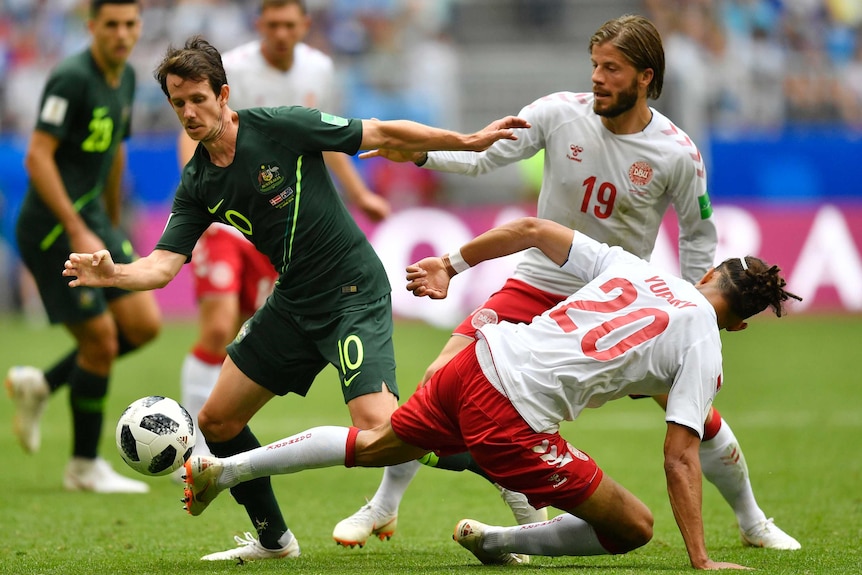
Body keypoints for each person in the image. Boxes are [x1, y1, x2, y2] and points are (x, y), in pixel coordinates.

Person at [61, 35, 529, 562]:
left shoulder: (278, 126)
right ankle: (274, 541)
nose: (188, 113)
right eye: (178, 103)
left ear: (223, 94)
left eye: (197, 99)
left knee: (381, 433)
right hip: (293, 303)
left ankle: (501, 470)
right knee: (216, 423)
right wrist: (114, 273)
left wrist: (466, 141)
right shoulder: (196, 182)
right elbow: (163, 265)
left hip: (351, 291)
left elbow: (377, 131)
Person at [354, 14, 800, 550]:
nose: (596, 77)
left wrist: (686, 317)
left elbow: (699, 237)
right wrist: (422, 153)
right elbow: (487, 156)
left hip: (618, 302)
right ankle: (385, 504)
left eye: (611, 68)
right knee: (441, 379)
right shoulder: (558, 112)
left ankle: (752, 521)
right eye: (594, 65)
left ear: (644, 77)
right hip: (542, 279)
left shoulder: (678, 153)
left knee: (697, 419)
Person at [178, 216, 802, 570]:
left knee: (372, 444)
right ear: (740, 322)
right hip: (513, 416)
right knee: (634, 526)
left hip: (478, 359)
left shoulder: (637, 269)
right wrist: (700, 559)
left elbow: (531, 228)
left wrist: (453, 262)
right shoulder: (706, 346)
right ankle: (498, 541)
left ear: (707, 274)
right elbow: (680, 454)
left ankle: (221, 468)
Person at [174, 0, 390, 471]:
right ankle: (200, 450)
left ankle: (224, 460)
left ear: (304, 26)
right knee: (216, 326)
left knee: (378, 424)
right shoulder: (235, 69)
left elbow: (327, 139)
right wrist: (203, 207)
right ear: (259, 25)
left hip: (284, 225)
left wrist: (358, 194)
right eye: (272, 23)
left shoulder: (319, 70)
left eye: (289, 24)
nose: (280, 32)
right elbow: (196, 134)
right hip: (228, 222)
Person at [6, 0, 160, 493]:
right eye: (111, 24)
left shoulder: (129, 79)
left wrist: (112, 225)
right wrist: (76, 228)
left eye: (130, 24)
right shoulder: (71, 77)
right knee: (100, 342)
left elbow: (114, 151)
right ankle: (83, 466)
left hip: (93, 219)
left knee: (144, 325)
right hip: (54, 228)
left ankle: (42, 385)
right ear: (92, 27)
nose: (121, 34)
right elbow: (37, 157)